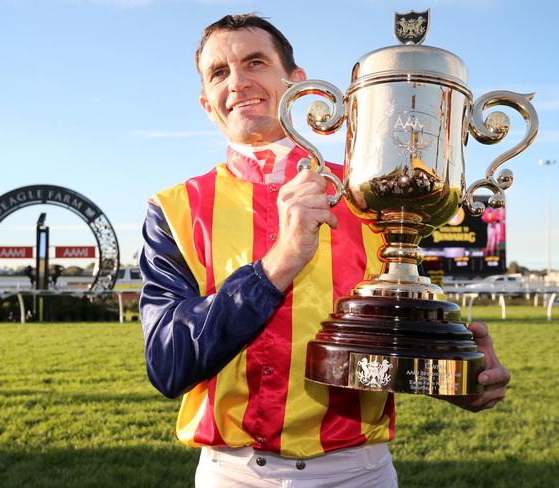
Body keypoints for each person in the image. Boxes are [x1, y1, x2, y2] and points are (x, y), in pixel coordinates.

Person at [139, 13, 511, 487]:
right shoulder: (173, 208)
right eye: (219, 72)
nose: (238, 82)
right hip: (230, 473)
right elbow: (168, 365)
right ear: (206, 104)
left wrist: (455, 377)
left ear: (298, 83)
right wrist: (280, 262)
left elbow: (392, 353)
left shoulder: (370, 189)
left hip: (357, 471)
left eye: (255, 62)